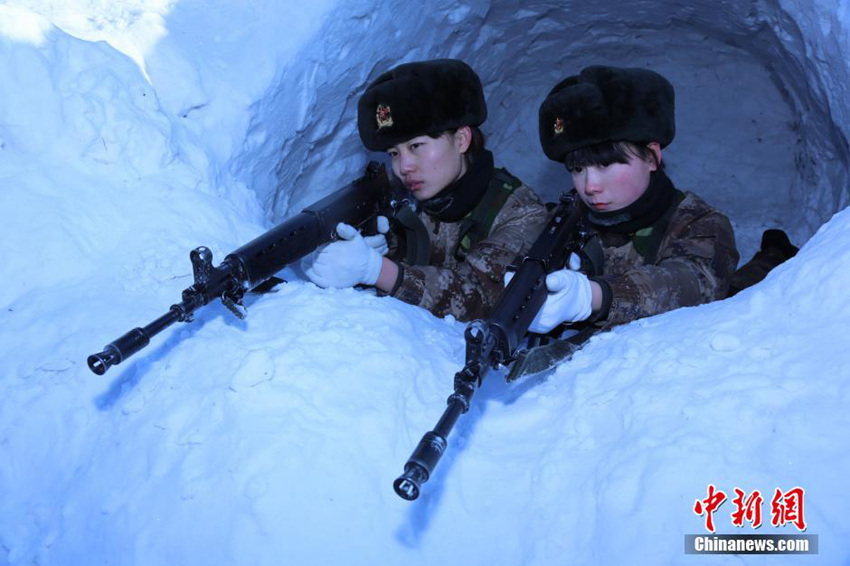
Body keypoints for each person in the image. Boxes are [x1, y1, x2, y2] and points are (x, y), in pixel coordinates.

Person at [303, 59, 549, 321]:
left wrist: (378, 270)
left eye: (416, 146)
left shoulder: (522, 213)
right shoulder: (403, 199)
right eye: (394, 153)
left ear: (462, 140)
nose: (403, 167)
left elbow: (483, 299)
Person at [529, 65, 740, 333]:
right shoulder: (562, 220)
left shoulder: (700, 224)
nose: (590, 186)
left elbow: (688, 284)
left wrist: (593, 296)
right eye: (577, 169)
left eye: (606, 165)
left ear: (651, 157)